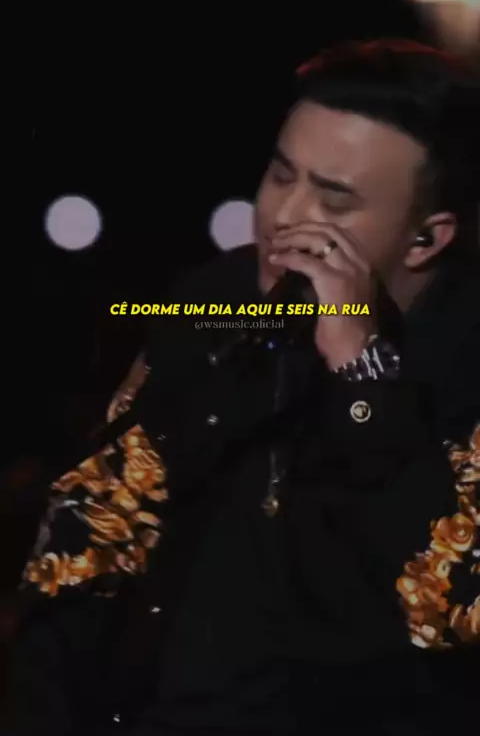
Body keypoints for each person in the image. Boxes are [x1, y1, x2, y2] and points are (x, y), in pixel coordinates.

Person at [8, 39, 479, 735]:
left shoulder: (463, 356)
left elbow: (445, 607)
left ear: (426, 239)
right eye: (281, 174)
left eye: (335, 199)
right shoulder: (215, 301)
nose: (285, 215)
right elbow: (88, 533)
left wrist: (361, 372)